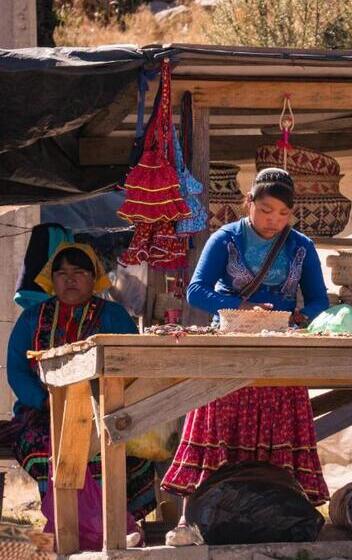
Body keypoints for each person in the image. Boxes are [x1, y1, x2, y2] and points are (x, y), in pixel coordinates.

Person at [161, 168, 330, 546]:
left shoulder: (301, 246)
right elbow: (197, 291)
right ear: (249, 203)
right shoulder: (226, 239)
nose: (274, 220)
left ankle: (281, 517)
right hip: (229, 353)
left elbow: (320, 299)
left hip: (280, 358)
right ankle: (189, 521)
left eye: (283, 214)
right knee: (215, 432)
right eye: (267, 210)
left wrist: (302, 317)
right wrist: (241, 305)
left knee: (277, 433)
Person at [5, 243, 156, 548]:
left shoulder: (113, 316)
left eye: (79, 272)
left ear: (94, 278)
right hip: (42, 415)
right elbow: (17, 370)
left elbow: (134, 361)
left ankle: (110, 528)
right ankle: (68, 530)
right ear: (51, 279)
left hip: (105, 412)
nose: (69, 279)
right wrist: (45, 401)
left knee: (108, 449)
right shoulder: (32, 318)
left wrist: (102, 404)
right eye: (61, 273)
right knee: (50, 450)